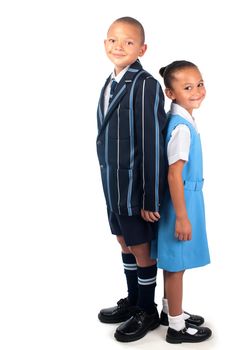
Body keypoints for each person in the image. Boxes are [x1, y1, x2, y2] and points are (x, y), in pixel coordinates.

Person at [96, 16, 167, 342]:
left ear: (142, 48)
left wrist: (151, 198)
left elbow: (152, 144)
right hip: (114, 187)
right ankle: (133, 300)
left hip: (135, 191)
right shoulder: (111, 82)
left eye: (127, 42)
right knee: (123, 243)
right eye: (113, 40)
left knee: (141, 249)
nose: (118, 47)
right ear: (104, 44)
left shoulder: (144, 83)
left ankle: (147, 310)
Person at [152, 60, 212, 343]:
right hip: (181, 202)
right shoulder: (181, 128)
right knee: (176, 265)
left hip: (187, 199)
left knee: (179, 262)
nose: (197, 90)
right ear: (171, 93)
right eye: (187, 87)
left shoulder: (184, 119)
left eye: (199, 84)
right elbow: (174, 175)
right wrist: (182, 217)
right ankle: (176, 328)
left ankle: (170, 310)